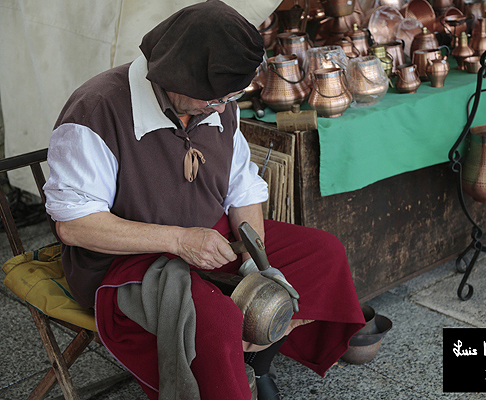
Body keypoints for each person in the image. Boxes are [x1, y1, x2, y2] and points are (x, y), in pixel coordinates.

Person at [43, 1, 365, 399]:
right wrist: (178, 240)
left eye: (228, 99)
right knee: (211, 321)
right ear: (176, 76)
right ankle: (227, 382)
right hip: (125, 261)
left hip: (205, 235)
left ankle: (257, 364)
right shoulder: (97, 111)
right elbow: (75, 225)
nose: (221, 109)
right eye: (212, 100)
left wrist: (254, 258)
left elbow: (241, 188)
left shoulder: (218, 104)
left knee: (322, 254)